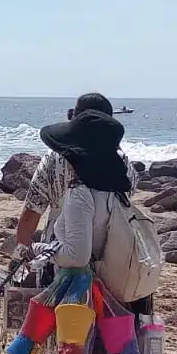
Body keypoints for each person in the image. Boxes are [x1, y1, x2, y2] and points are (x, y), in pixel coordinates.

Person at [31, 106, 140, 354]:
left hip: (83, 293)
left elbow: (75, 254)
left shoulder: (79, 195)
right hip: (114, 292)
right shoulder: (117, 192)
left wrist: (46, 250)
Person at [14, 93, 118, 252]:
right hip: (109, 253)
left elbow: (31, 213)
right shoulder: (122, 162)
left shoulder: (54, 159)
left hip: (58, 251)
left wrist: (21, 253)